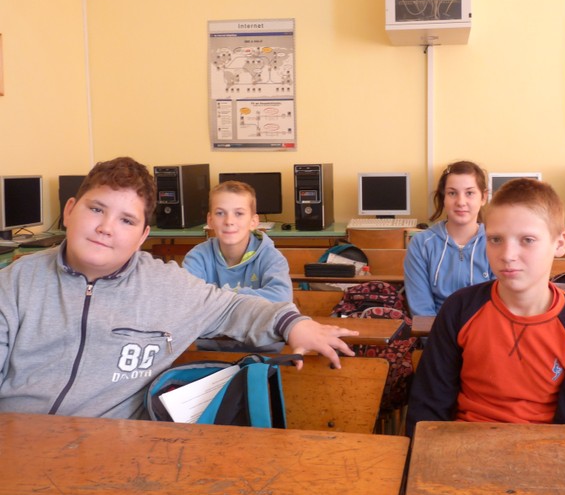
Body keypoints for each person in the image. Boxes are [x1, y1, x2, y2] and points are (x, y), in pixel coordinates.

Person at [0, 157, 357, 420]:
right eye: (96, 209)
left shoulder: (166, 286)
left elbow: (231, 308)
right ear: (69, 211)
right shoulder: (16, 281)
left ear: (143, 236)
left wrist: (292, 323)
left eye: (126, 220)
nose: (106, 227)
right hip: (16, 443)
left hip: (113, 452)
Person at [406, 179, 565, 436]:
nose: (507, 255)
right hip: (461, 446)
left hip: (542, 453)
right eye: (495, 239)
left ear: (559, 243)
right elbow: (428, 408)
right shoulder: (459, 308)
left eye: (527, 240)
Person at [404, 161, 495, 316]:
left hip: (484, 329)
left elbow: (500, 305)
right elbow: (421, 310)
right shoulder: (421, 244)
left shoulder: (496, 243)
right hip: (435, 329)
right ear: (443, 198)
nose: (461, 202)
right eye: (452, 193)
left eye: (469, 193)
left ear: (483, 197)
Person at [183, 180, 292, 303]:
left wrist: (219, 298)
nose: (229, 221)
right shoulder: (197, 257)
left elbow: (282, 298)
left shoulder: (271, 258)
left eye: (239, 213)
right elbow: (186, 299)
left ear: (253, 222)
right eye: (220, 213)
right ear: (210, 220)